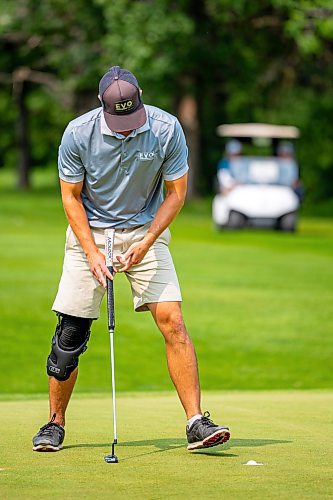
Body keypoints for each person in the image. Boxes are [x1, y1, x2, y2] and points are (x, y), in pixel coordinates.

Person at [32, 66, 230, 453]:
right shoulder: (77, 133)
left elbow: (176, 193)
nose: (126, 128)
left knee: (173, 319)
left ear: (140, 96)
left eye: (132, 118)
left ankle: (196, 422)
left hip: (144, 231)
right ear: (102, 107)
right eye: (118, 121)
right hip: (90, 232)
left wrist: (148, 239)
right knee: (70, 335)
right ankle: (55, 423)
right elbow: (71, 197)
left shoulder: (166, 128)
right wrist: (91, 252)